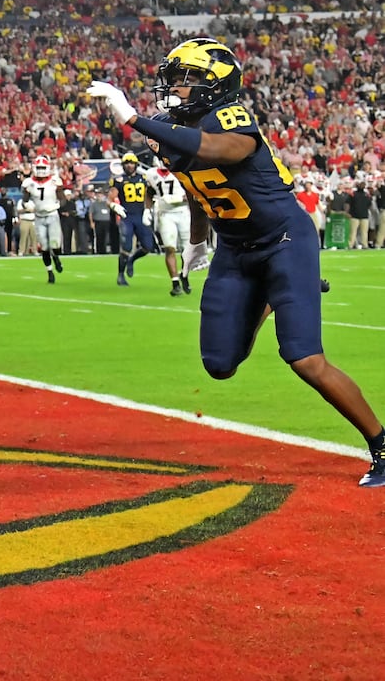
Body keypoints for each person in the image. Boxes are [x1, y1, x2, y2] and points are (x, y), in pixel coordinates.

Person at [88, 38, 385, 487]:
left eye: (184, 80)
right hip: (232, 248)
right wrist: (195, 243)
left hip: (283, 239)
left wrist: (134, 119)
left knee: (304, 358)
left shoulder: (229, 118)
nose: (173, 88)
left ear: (214, 84)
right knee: (219, 362)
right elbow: (195, 185)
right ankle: (267, 298)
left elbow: (219, 151)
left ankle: (381, 442)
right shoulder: (171, 131)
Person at [146, 162, 193, 296]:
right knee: (169, 248)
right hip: (165, 213)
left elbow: (193, 191)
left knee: (187, 250)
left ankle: (184, 274)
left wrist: (178, 198)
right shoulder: (152, 173)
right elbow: (149, 192)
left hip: (183, 211)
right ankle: (175, 283)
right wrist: (146, 210)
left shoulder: (183, 169)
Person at [109, 152, 155, 286]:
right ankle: (120, 275)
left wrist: (148, 209)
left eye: (132, 163)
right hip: (127, 216)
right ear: (123, 165)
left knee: (148, 246)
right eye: (127, 163)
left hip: (141, 215)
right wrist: (114, 205)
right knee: (126, 246)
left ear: (136, 165)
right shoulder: (119, 180)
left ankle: (132, 260)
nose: (129, 166)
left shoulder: (144, 178)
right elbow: (110, 198)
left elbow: (150, 195)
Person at [24, 155, 65, 283]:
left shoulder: (54, 181)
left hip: (52, 215)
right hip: (39, 217)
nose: (41, 170)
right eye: (39, 167)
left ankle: (56, 258)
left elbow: (62, 198)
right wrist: (28, 205)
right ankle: (50, 272)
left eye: (43, 167)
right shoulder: (28, 183)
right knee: (44, 247)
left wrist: (58, 204)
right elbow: (25, 199)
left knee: (55, 244)